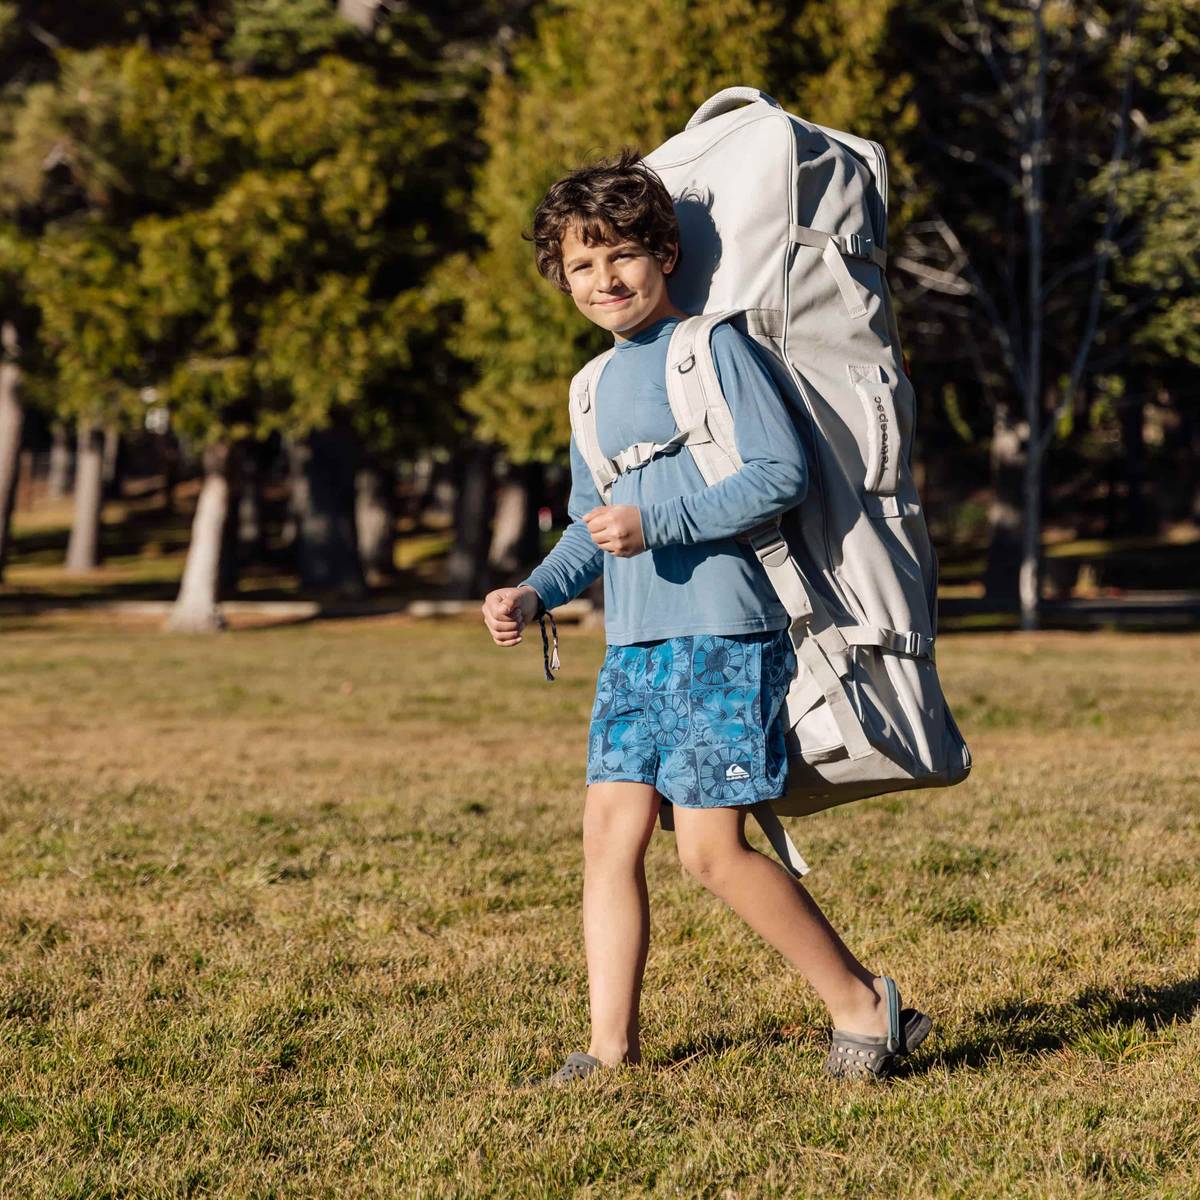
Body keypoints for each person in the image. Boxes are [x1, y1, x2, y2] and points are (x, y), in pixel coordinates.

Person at [480, 148, 930, 1084]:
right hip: (634, 648)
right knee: (608, 843)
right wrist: (533, 591)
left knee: (712, 853)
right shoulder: (591, 388)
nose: (604, 280)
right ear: (559, 277)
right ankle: (611, 1051)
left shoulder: (713, 347)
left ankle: (861, 1002)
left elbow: (779, 475)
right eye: (581, 265)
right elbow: (589, 527)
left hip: (726, 637)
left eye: (622, 257)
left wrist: (662, 521)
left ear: (665, 255)